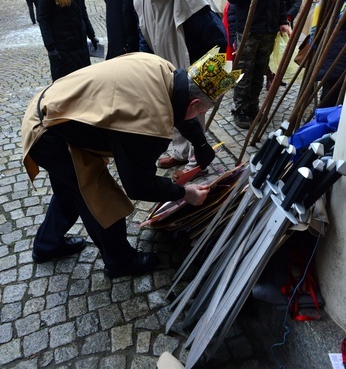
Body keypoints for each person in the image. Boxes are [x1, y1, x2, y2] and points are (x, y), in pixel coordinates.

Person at [22, 50, 238, 278]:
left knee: (70, 190)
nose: (199, 115)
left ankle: (46, 245)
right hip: (50, 131)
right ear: (194, 103)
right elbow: (138, 185)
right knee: (102, 199)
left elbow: (179, 108)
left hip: (52, 106)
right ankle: (120, 261)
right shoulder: (149, 124)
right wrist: (184, 193)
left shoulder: (164, 69)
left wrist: (201, 146)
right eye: (201, 111)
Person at [119, 0, 227, 180]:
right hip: (163, 65)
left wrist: (199, 79)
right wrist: (147, 62)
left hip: (191, 66)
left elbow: (217, 40)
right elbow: (145, 31)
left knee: (192, 114)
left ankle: (198, 160)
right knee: (171, 113)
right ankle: (179, 152)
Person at [227, 0, 291, 129]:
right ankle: (240, 109)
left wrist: (282, 20)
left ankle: (253, 108)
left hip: (269, 28)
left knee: (260, 71)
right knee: (244, 72)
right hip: (249, 29)